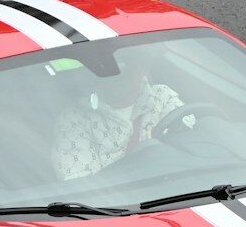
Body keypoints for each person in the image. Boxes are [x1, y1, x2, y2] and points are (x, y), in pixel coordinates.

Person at [53, 53, 183, 181]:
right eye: (111, 67)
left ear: (143, 68)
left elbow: (194, 142)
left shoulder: (163, 96)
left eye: (127, 63)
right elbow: (82, 187)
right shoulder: (74, 120)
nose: (119, 72)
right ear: (96, 73)